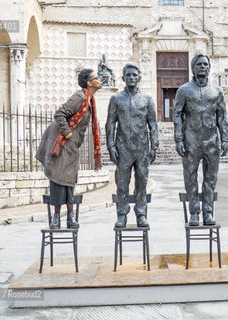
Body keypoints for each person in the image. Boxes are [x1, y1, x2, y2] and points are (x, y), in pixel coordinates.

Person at [36, 69, 103, 229]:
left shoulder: (90, 100)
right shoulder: (80, 97)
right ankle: (56, 218)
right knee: (58, 178)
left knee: (69, 178)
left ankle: (71, 216)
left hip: (70, 145)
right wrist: (68, 135)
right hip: (60, 141)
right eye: (97, 78)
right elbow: (59, 114)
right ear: (89, 82)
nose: (100, 80)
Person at [173, 53, 228, 226]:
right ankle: (194, 212)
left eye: (205, 64)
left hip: (211, 140)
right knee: (190, 177)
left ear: (209, 67)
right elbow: (177, 115)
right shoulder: (184, 90)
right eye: (199, 64)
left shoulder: (217, 91)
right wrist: (179, 139)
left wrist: (225, 139)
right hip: (191, 140)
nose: (203, 67)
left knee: (210, 178)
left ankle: (208, 211)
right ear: (193, 68)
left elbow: (222, 117)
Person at [105, 63, 159, 228]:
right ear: (123, 78)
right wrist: (110, 146)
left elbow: (153, 124)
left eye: (135, 75)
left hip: (142, 148)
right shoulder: (116, 99)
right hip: (123, 147)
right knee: (122, 183)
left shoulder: (147, 100)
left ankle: (141, 213)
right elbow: (110, 124)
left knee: (142, 182)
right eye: (128, 75)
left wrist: (154, 146)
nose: (131, 78)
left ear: (139, 78)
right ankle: (122, 214)